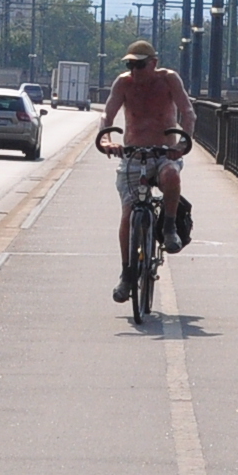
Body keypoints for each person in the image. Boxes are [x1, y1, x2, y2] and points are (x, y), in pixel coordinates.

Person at [94, 39, 195, 302]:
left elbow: (188, 111)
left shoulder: (169, 80)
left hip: (164, 151)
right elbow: (108, 115)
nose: (135, 70)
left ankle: (170, 227)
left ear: (154, 63)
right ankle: (127, 275)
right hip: (134, 154)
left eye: (139, 65)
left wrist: (182, 144)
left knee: (171, 175)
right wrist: (105, 140)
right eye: (130, 65)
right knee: (129, 213)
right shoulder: (123, 83)